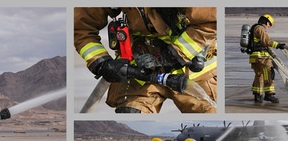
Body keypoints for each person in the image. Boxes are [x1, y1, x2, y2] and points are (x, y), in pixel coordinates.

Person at [75, 8, 217, 113]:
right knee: (130, 112)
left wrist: (169, 57)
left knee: (209, 113)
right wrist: (101, 62)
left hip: (194, 73)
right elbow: (82, 28)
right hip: (141, 71)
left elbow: (210, 24)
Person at [247, 14, 284, 104]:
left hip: (254, 57)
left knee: (259, 75)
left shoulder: (254, 28)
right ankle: (269, 94)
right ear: (267, 22)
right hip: (262, 58)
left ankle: (258, 95)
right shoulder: (260, 28)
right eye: (269, 24)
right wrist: (278, 45)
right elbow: (266, 41)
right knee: (268, 74)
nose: (269, 26)